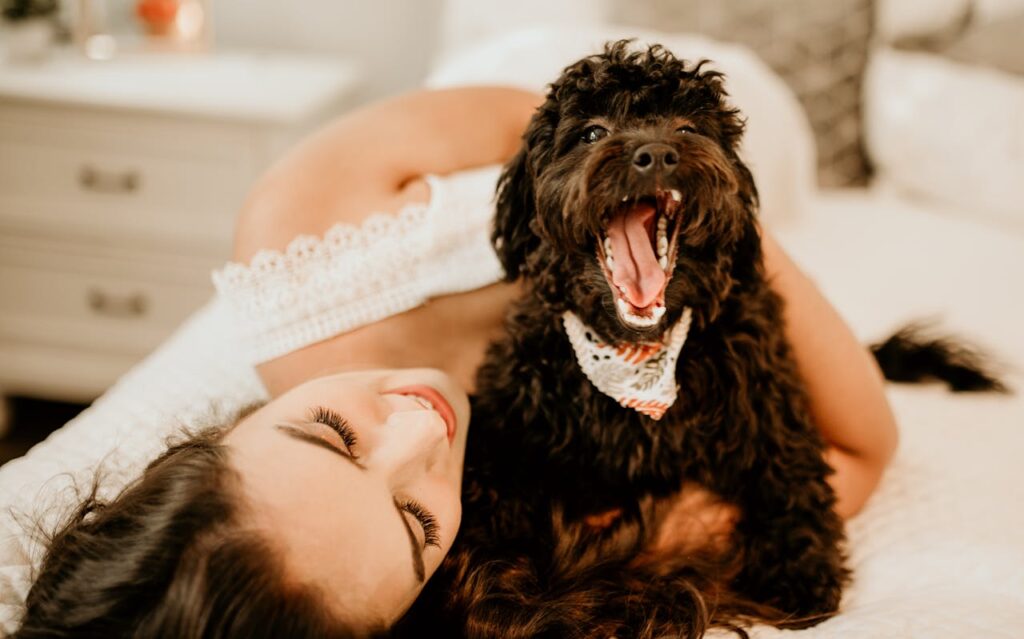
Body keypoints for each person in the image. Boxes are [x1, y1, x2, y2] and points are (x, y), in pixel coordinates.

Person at [14, 87, 898, 638]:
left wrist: (684, 185)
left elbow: (539, 110)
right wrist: (697, 234)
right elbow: (860, 446)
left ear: (226, 427)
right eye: (413, 523)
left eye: (330, 434)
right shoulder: (557, 536)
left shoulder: (305, 227)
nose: (419, 430)